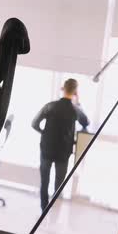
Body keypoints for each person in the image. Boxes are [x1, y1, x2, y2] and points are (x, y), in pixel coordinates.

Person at [32, 78, 89, 211]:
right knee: (59, 184)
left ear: (63, 89)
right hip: (64, 151)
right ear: (75, 92)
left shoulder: (50, 106)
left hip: (46, 148)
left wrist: (44, 133)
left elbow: (34, 124)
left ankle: (43, 208)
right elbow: (86, 123)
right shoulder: (75, 109)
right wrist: (78, 102)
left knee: (44, 181)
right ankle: (53, 209)